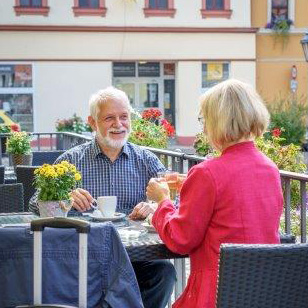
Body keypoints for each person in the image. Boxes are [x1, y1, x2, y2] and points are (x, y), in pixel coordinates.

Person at [29, 86, 176, 308]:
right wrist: (64, 197)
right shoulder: (71, 161)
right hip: (84, 258)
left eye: (124, 117)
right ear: (92, 122)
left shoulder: (146, 159)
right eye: (109, 118)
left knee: (164, 272)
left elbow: (174, 203)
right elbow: (34, 202)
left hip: (135, 257)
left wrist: (154, 207)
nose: (119, 124)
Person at [146, 79, 283, 308]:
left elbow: (180, 239)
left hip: (217, 291)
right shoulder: (269, 168)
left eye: (204, 120)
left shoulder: (207, 173)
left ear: (217, 121)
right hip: (261, 289)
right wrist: (192, 185)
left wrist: (163, 201)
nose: (204, 128)